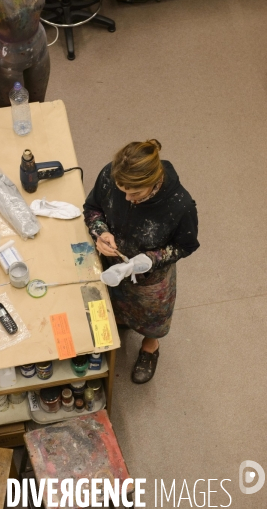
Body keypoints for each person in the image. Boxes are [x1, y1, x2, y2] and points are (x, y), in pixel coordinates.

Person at [83, 140, 199, 384]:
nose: (127, 197)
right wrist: (100, 231)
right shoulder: (109, 174)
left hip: (150, 278)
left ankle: (150, 346)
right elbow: (93, 207)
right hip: (112, 263)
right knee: (113, 303)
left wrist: (150, 259)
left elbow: (185, 245)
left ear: (154, 181)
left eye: (135, 193)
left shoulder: (180, 205)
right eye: (121, 189)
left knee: (151, 318)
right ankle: (121, 322)